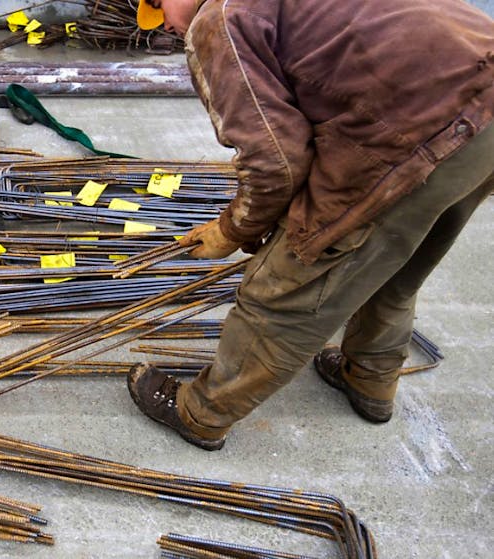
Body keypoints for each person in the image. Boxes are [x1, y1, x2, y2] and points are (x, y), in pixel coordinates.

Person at [127, 0, 494, 450]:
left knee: (283, 289)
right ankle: (370, 379)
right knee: (391, 258)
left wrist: (234, 229)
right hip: (480, 98)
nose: (164, 23)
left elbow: (274, 162)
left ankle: (201, 412)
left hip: (419, 128)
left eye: (157, 7)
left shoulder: (221, 17)